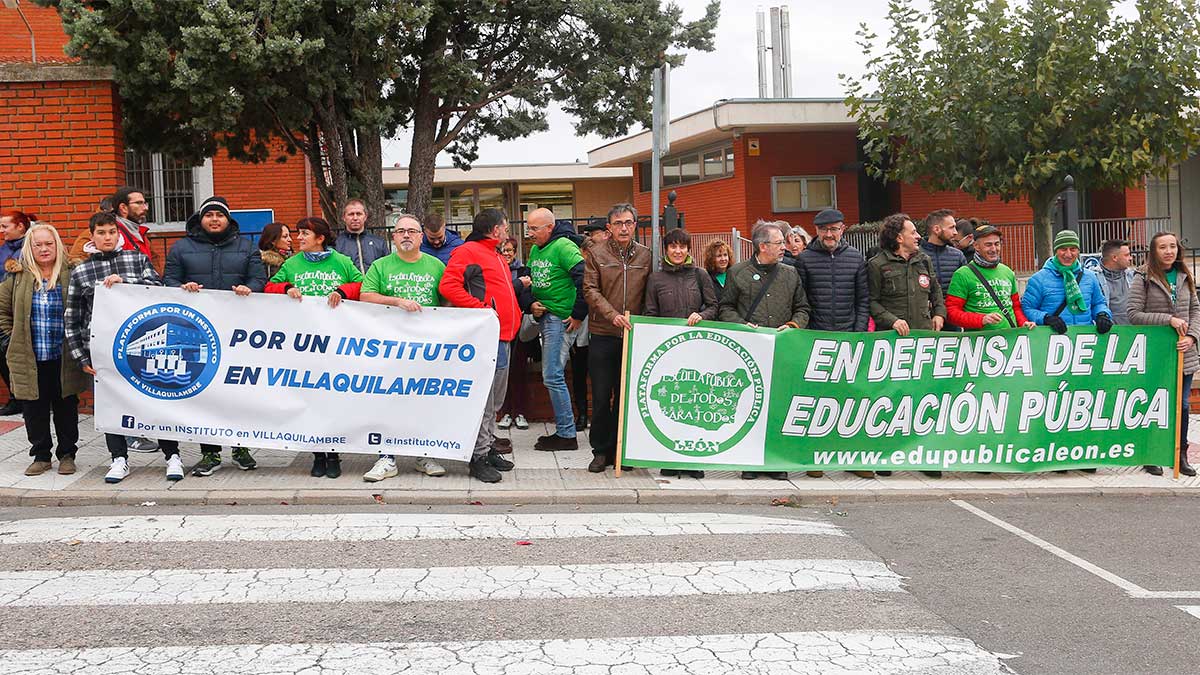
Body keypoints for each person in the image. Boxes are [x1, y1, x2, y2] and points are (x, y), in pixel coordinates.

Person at [65, 212, 183, 483]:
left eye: (111, 232)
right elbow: (72, 317)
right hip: (103, 351)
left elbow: (157, 288)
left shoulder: (136, 259)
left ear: (118, 234)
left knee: (156, 398)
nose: (107, 237)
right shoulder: (81, 271)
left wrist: (126, 284)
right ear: (92, 236)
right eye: (101, 233)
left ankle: (172, 455)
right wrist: (81, 356)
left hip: (141, 346)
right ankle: (119, 458)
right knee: (111, 405)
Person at [163, 196, 266, 476]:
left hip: (237, 333)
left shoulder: (246, 246)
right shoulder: (182, 247)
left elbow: (259, 279)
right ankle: (210, 453)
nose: (214, 220)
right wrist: (183, 287)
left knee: (238, 392)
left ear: (228, 219)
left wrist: (249, 288)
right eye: (209, 215)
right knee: (206, 393)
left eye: (219, 215)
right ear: (201, 219)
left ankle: (241, 448)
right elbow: (169, 281)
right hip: (198, 334)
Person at [265, 217, 363, 479]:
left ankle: (334, 453)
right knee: (311, 398)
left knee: (333, 397)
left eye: (304, 233)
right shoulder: (292, 263)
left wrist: (342, 291)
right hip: (304, 344)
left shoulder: (341, 261)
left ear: (320, 238)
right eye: (298, 233)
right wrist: (287, 288)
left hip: (337, 341)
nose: (298, 238)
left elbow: (361, 285)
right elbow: (270, 286)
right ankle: (317, 454)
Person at [359, 213, 449, 482]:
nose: (406, 235)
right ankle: (387, 458)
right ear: (393, 237)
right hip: (389, 346)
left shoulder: (436, 265)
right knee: (388, 401)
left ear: (422, 237)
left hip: (426, 348)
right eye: (401, 231)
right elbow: (366, 296)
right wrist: (397, 301)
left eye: (412, 231)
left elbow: (447, 302)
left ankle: (423, 454)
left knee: (424, 401)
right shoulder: (381, 265)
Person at [718, 220, 810, 480]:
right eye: (779, 242)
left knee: (778, 404)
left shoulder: (790, 274)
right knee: (750, 404)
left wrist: (792, 325)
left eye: (784, 242)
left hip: (781, 349)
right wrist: (742, 326)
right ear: (762, 246)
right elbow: (725, 308)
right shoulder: (738, 273)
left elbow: (803, 308)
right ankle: (750, 461)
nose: (785, 246)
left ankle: (775, 461)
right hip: (749, 351)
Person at [438, 208, 521, 483]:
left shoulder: (495, 254)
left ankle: (487, 447)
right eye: (506, 227)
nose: (508, 231)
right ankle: (478, 455)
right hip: (488, 337)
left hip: (504, 336)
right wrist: (483, 310)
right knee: (484, 400)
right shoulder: (468, 252)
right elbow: (449, 286)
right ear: (495, 229)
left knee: (494, 400)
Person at [0, 222, 87, 477]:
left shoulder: (71, 273)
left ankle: (67, 454)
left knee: (66, 406)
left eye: (49, 243)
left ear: (57, 245)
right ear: (30, 247)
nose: (44, 248)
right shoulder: (16, 277)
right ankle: (41, 455)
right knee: (33, 409)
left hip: (64, 356)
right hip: (29, 356)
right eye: (38, 244)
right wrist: (9, 340)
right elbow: (2, 311)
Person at [793, 209, 873, 478]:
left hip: (849, 338)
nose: (829, 234)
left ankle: (854, 459)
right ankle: (814, 457)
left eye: (835, 229)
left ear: (843, 229)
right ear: (816, 230)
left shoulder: (856, 258)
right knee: (817, 401)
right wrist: (807, 334)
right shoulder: (804, 260)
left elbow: (863, 300)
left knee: (852, 400)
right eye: (824, 229)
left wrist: (858, 333)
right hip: (816, 338)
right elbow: (800, 302)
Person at [867, 213, 947, 479]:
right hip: (893, 343)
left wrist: (939, 313)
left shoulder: (924, 260)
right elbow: (872, 302)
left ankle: (924, 454)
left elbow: (936, 291)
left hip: (924, 340)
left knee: (923, 397)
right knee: (891, 397)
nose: (918, 236)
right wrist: (891, 321)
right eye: (913, 232)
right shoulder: (878, 264)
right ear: (898, 237)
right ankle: (886, 454)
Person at [583, 203, 652, 473]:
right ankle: (601, 451)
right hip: (603, 333)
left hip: (634, 334)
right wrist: (612, 315)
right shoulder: (595, 254)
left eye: (629, 222)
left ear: (635, 225)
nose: (624, 227)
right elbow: (589, 289)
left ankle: (623, 450)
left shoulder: (646, 255)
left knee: (627, 397)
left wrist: (644, 321)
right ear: (609, 227)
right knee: (601, 396)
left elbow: (651, 291)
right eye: (618, 223)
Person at [645, 228, 718, 480]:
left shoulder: (700, 275)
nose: (678, 251)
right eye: (673, 247)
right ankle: (670, 458)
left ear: (688, 250)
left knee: (695, 405)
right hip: (668, 353)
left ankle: (693, 459)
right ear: (666, 250)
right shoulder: (656, 278)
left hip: (697, 350)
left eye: (682, 247)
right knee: (671, 406)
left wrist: (703, 316)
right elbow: (651, 313)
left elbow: (713, 306)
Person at [1128, 231, 1199, 477]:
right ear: (1153, 251)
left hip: (1183, 353)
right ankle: (1151, 453)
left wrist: (1192, 336)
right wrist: (1168, 319)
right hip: (1155, 353)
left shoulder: (1184, 276)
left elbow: (1195, 310)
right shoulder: (1142, 277)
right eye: (1162, 247)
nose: (1169, 251)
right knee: (1156, 403)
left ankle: (1180, 455)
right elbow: (1134, 314)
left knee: (1183, 406)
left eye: (1172, 247)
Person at [526, 208, 587, 451]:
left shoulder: (563, 246)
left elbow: (584, 277)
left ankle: (566, 434)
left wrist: (578, 314)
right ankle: (565, 431)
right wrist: (531, 304)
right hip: (545, 316)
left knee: (552, 375)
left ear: (549, 228)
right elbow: (531, 279)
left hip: (560, 319)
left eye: (534, 228)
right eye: (528, 228)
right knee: (553, 375)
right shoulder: (535, 249)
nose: (529, 233)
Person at [1021, 230, 1113, 335]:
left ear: (1078, 251)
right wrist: (1046, 318)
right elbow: (1027, 308)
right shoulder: (1038, 279)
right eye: (1063, 249)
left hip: (1084, 340)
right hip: (1052, 341)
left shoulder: (1090, 277)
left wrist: (1102, 314)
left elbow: (1099, 303)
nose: (1068, 254)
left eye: (1073, 249)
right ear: (1056, 251)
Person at [945, 225, 1036, 331]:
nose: (993, 249)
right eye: (988, 245)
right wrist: (981, 319)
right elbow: (951, 313)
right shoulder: (962, 274)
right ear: (976, 246)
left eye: (997, 244)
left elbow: (1015, 306)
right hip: (979, 342)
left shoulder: (1007, 272)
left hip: (1011, 340)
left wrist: (1023, 322)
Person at [497, 237, 533, 434]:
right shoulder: (496, 271)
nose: (507, 253)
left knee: (519, 370)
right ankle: (504, 413)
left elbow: (527, 297)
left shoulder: (524, 271)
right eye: (504, 250)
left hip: (518, 327)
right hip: (499, 327)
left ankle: (520, 412)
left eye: (510, 250)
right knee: (502, 371)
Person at [0, 210, 33, 416]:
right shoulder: (4, 249)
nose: (1, 230)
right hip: (4, 310)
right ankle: (15, 396)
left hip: (24, 309)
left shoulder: (32, 247)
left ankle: (31, 397)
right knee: (4, 354)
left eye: (5, 226)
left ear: (20, 227)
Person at [335, 198, 388, 275]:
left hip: (374, 286)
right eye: (351, 214)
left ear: (365, 217)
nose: (355, 218)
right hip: (347, 286)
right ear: (344, 217)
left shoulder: (379, 243)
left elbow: (387, 268)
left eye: (359, 214)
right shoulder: (336, 244)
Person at [919, 209, 967, 294]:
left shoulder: (958, 256)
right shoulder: (916, 256)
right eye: (951, 227)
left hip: (952, 305)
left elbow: (966, 286)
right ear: (936, 229)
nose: (955, 232)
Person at [1093, 239, 1134, 325]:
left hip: (1133, 331)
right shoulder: (1093, 278)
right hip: (1105, 332)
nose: (1130, 258)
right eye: (1127, 255)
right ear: (1114, 258)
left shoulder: (1133, 276)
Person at [110, 186, 153, 259]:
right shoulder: (112, 233)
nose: (146, 208)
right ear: (123, 208)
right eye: (139, 203)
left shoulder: (139, 231)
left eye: (144, 203)